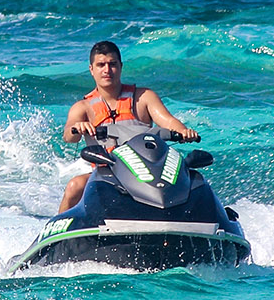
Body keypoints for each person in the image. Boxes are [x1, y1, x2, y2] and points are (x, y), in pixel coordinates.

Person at [58, 40, 197, 212]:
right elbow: (69, 137)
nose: (107, 70)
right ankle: (56, 231)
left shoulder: (144, 98)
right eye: (101, 65)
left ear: (121, 66)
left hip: (147, 174)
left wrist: (183, 132)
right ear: (91, 70)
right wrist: (77, 128)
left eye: (112, 64)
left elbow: (168, 121)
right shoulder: (83, 108)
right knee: (74, 186)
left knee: (195, 183)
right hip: (106, 174)